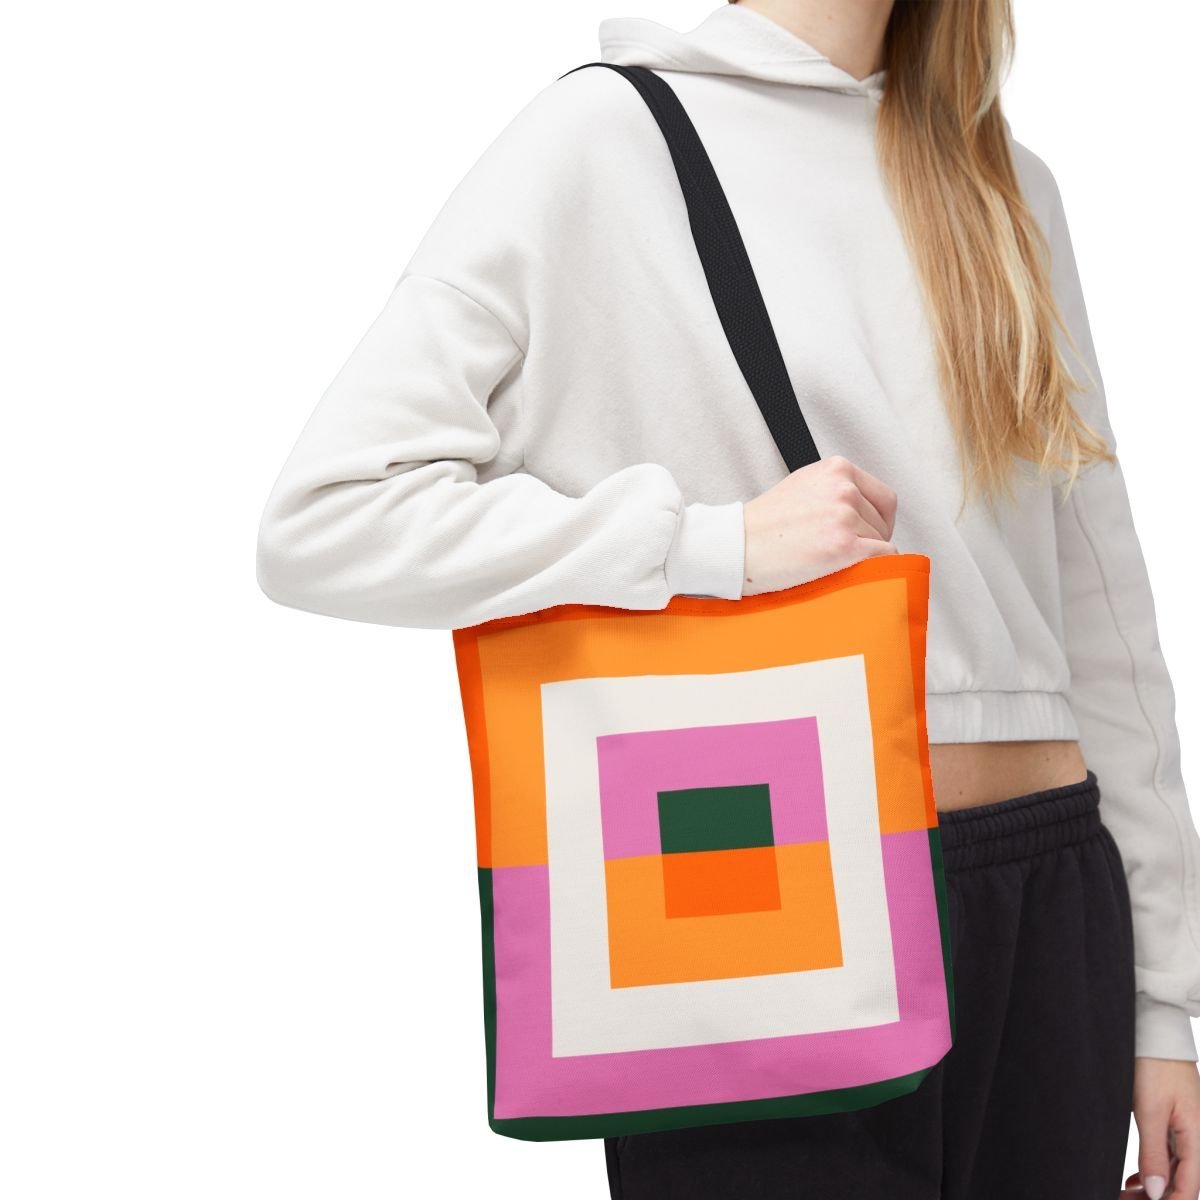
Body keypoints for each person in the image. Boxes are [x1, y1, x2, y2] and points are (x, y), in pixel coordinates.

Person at [255, 1, 1200, 1195]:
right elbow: (327, 515)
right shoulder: (602, 143)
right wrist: (710, 545)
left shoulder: (1004, 179)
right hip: (762, 890)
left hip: (1055, 899)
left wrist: (1163, 1001)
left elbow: (1103, 605)